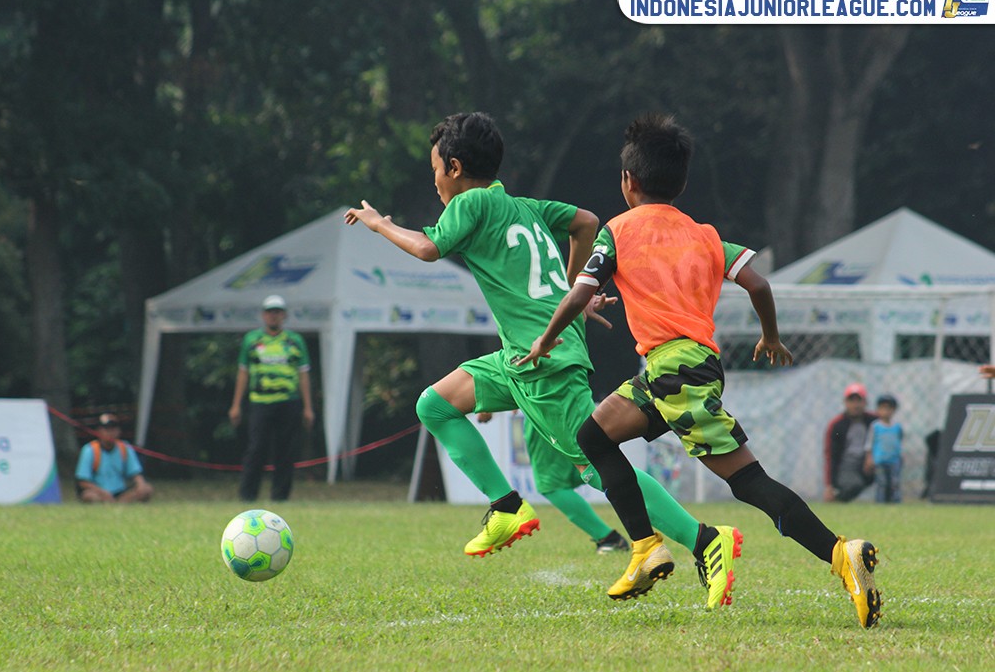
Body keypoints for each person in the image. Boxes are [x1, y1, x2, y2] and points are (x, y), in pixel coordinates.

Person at [345, 111, 741, 610]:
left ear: (455, 167)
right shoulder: (523, 206)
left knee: (594, 463)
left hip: (543, 358)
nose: (437, 183)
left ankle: (704, 540)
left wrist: (381, 225)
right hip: (522, 356)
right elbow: (585, 222)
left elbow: (427, 248)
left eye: (435, 172)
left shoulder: (469, 202)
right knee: (435, 405)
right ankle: (506, 506)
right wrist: (572, 294)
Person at [518, 113, 882, 628]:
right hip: (677, 369)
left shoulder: (618, 230)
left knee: (749, 482)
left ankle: (841, 554)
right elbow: (758, 284)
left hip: (676, 372)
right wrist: (770, 336)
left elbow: (580, 291)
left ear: (628, 181)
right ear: (681, 183)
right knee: (593, 436)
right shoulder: (704, 234)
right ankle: (645, 547)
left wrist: (545, 338)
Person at [477, 411, 628, 554]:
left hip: (543, 409)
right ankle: (639, 522)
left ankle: (609, 538)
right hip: (574, 406)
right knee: (598, 468)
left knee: (551, 484)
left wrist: (487, 403)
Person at [228, 294, 315, 501]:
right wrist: (236, 405)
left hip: (289, 401)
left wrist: (308, 407)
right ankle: (248, 495)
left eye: (277, 312)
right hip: (260, 402)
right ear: (263, 315)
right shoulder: (252, 340)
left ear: (284, 315)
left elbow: (303, 374)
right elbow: (243, 373)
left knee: (285, 450)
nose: (273, 316)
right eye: (269, 312)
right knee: (256, 448)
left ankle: (280, 496)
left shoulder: (295, 341)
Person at [75, 413, 153, 503]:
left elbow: (135, 473)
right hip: (98, 491)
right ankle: (115, 503)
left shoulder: (125, 447)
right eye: (106, 430)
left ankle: (120, 502)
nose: (110, 433)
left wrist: (141, 484)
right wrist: (102, 492)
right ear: (98, 431)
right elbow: (83, 481)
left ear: (119, 431)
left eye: (113, 429)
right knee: (89, 496)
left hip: (121, 491)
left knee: (147, 489)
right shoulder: (90, 450)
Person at [824, 383, 878, 503]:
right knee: (854, 485)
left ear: (865, 403)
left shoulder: (874, 421)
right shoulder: (837, 425)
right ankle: (837, 501)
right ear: (845, 402)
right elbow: (830, 455)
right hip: (847, 467)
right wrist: (829, 485)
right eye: (851, 401)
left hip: (870, 464)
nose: (856, 405)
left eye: (859, 401)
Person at [866, 394, 903, 503]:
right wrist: (869, 458)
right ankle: (880, 502)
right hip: (880, 460)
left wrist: (900, 455)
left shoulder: (897, 427)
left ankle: (895, 501)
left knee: (894, 482)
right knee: (882, 483)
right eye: (883, 408)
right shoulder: (875, 426)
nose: (886, 411)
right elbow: (869, 443)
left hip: (894, 460)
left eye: (889, 408)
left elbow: (899, 441)